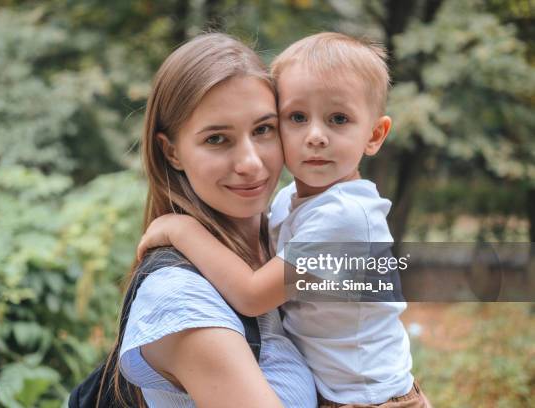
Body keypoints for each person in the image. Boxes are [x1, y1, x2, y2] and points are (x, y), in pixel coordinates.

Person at [137, 32, 431, 407]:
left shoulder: (347, 218)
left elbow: (253, 294)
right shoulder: (286, 204)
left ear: (374, 135)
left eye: (338, 119)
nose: (316, 136)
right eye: (296, 117)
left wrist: (181, 229)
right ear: (171, 151)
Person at [99, 33, 317, 408]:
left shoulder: (287, 230)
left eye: (263, 129)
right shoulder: (180, 300)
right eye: (217, 139)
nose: (250, 162)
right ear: (172, 152)